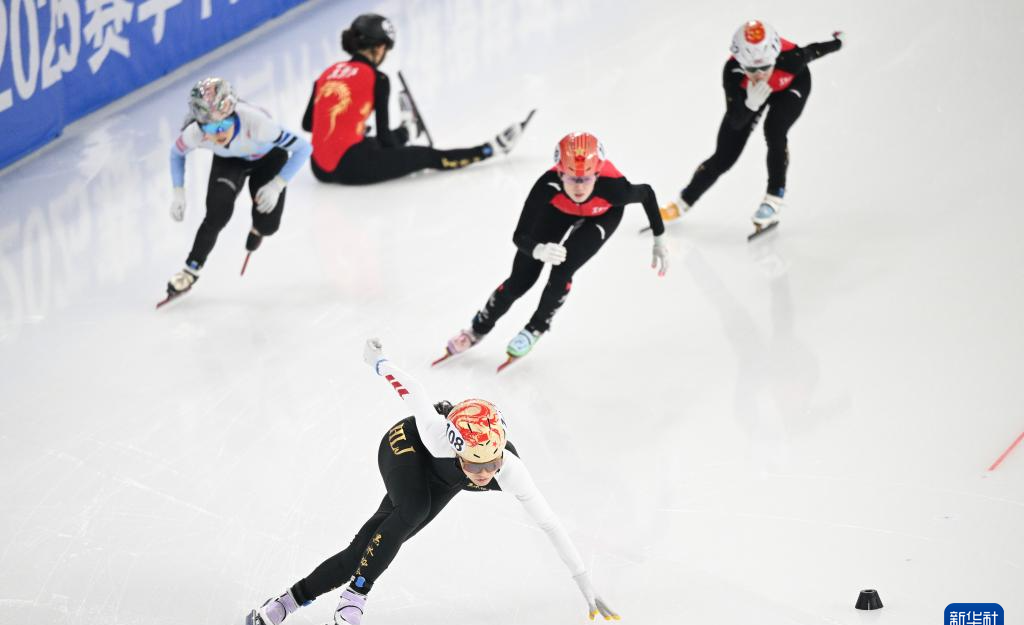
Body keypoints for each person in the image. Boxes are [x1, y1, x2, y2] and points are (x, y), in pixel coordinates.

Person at [246, 339, 619, 625]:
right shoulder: (435, 432)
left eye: (491, 463)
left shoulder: (510, 470)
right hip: (404, 449)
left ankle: (286, 602)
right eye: (475, 466)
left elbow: (550, 524)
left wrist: (585, 584)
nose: (486, 474)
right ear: (457, 450)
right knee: (414, 508)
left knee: (363, 549)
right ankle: (355, 596)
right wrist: (378, 360)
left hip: (440, 480)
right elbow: (412, 390)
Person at [437, 132, 668, 366]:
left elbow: (647, 194)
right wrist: (537, 250)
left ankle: (535, 328)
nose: (579, 188)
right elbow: (520, 236)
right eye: (571, 178)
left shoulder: (615, 189)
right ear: (559, 172)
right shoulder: (546, 185)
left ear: (597, 174)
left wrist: (659, 239)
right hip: (558, 210)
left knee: (563, 270)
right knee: (520, 280)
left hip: (602, 214)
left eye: (586, 179)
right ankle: (476, 329)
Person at [660, 21, 845, 233]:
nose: (759, 75)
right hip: (751, 97)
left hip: (792, 86)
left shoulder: (792, 58)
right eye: (752, 69)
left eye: (765, 67)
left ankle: (773, 198)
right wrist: (750, 104)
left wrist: (838, 42)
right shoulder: (733, 71)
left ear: (774, 57)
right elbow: (736, 121)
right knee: (724, 156)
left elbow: (816, 50)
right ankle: (683, 202)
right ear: (741, 63)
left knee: (775, 130)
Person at [301, 14, 530, 185]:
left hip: (319, 170)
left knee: (366, 141)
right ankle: (489, 149)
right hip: (351, 168)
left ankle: (409, 129)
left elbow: (308, 124)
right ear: (380, 47)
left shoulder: (327, 73)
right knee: (425, 156)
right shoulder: (377, 78)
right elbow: (386, 140)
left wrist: (351, 124)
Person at [164, 77, 311, 298]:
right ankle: (190, 270)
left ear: (233, 114)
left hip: (268, 159)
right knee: (216, 214)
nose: (218, 134)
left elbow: (304, 148)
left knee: (268, 225)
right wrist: (178, 193)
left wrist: (277, 185)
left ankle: (258, 229)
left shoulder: (260, 125)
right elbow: (176, 154)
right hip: (229, 161)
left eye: (224, 125)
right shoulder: (196, 133)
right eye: (211, 128)